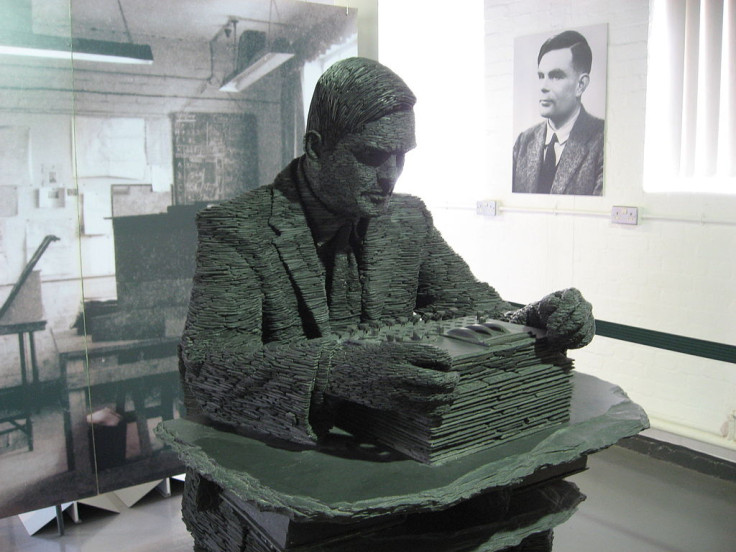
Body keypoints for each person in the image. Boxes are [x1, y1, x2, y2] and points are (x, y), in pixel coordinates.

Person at [180, 57, 595, 447]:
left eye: (401, 156)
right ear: (315, 147)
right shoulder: (238, 228)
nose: (390, 176)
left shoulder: (406, 219)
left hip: (395, 442)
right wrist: (334, 371)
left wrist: (530, 319)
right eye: (372, 155)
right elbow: (209, 367)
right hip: (285, 452)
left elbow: (472, 306)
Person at [512, 30, 604, 195]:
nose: (543, 87)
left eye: (556, 76)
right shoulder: (523, 142)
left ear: (580, 85)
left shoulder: (602, 141)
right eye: (541, 76)